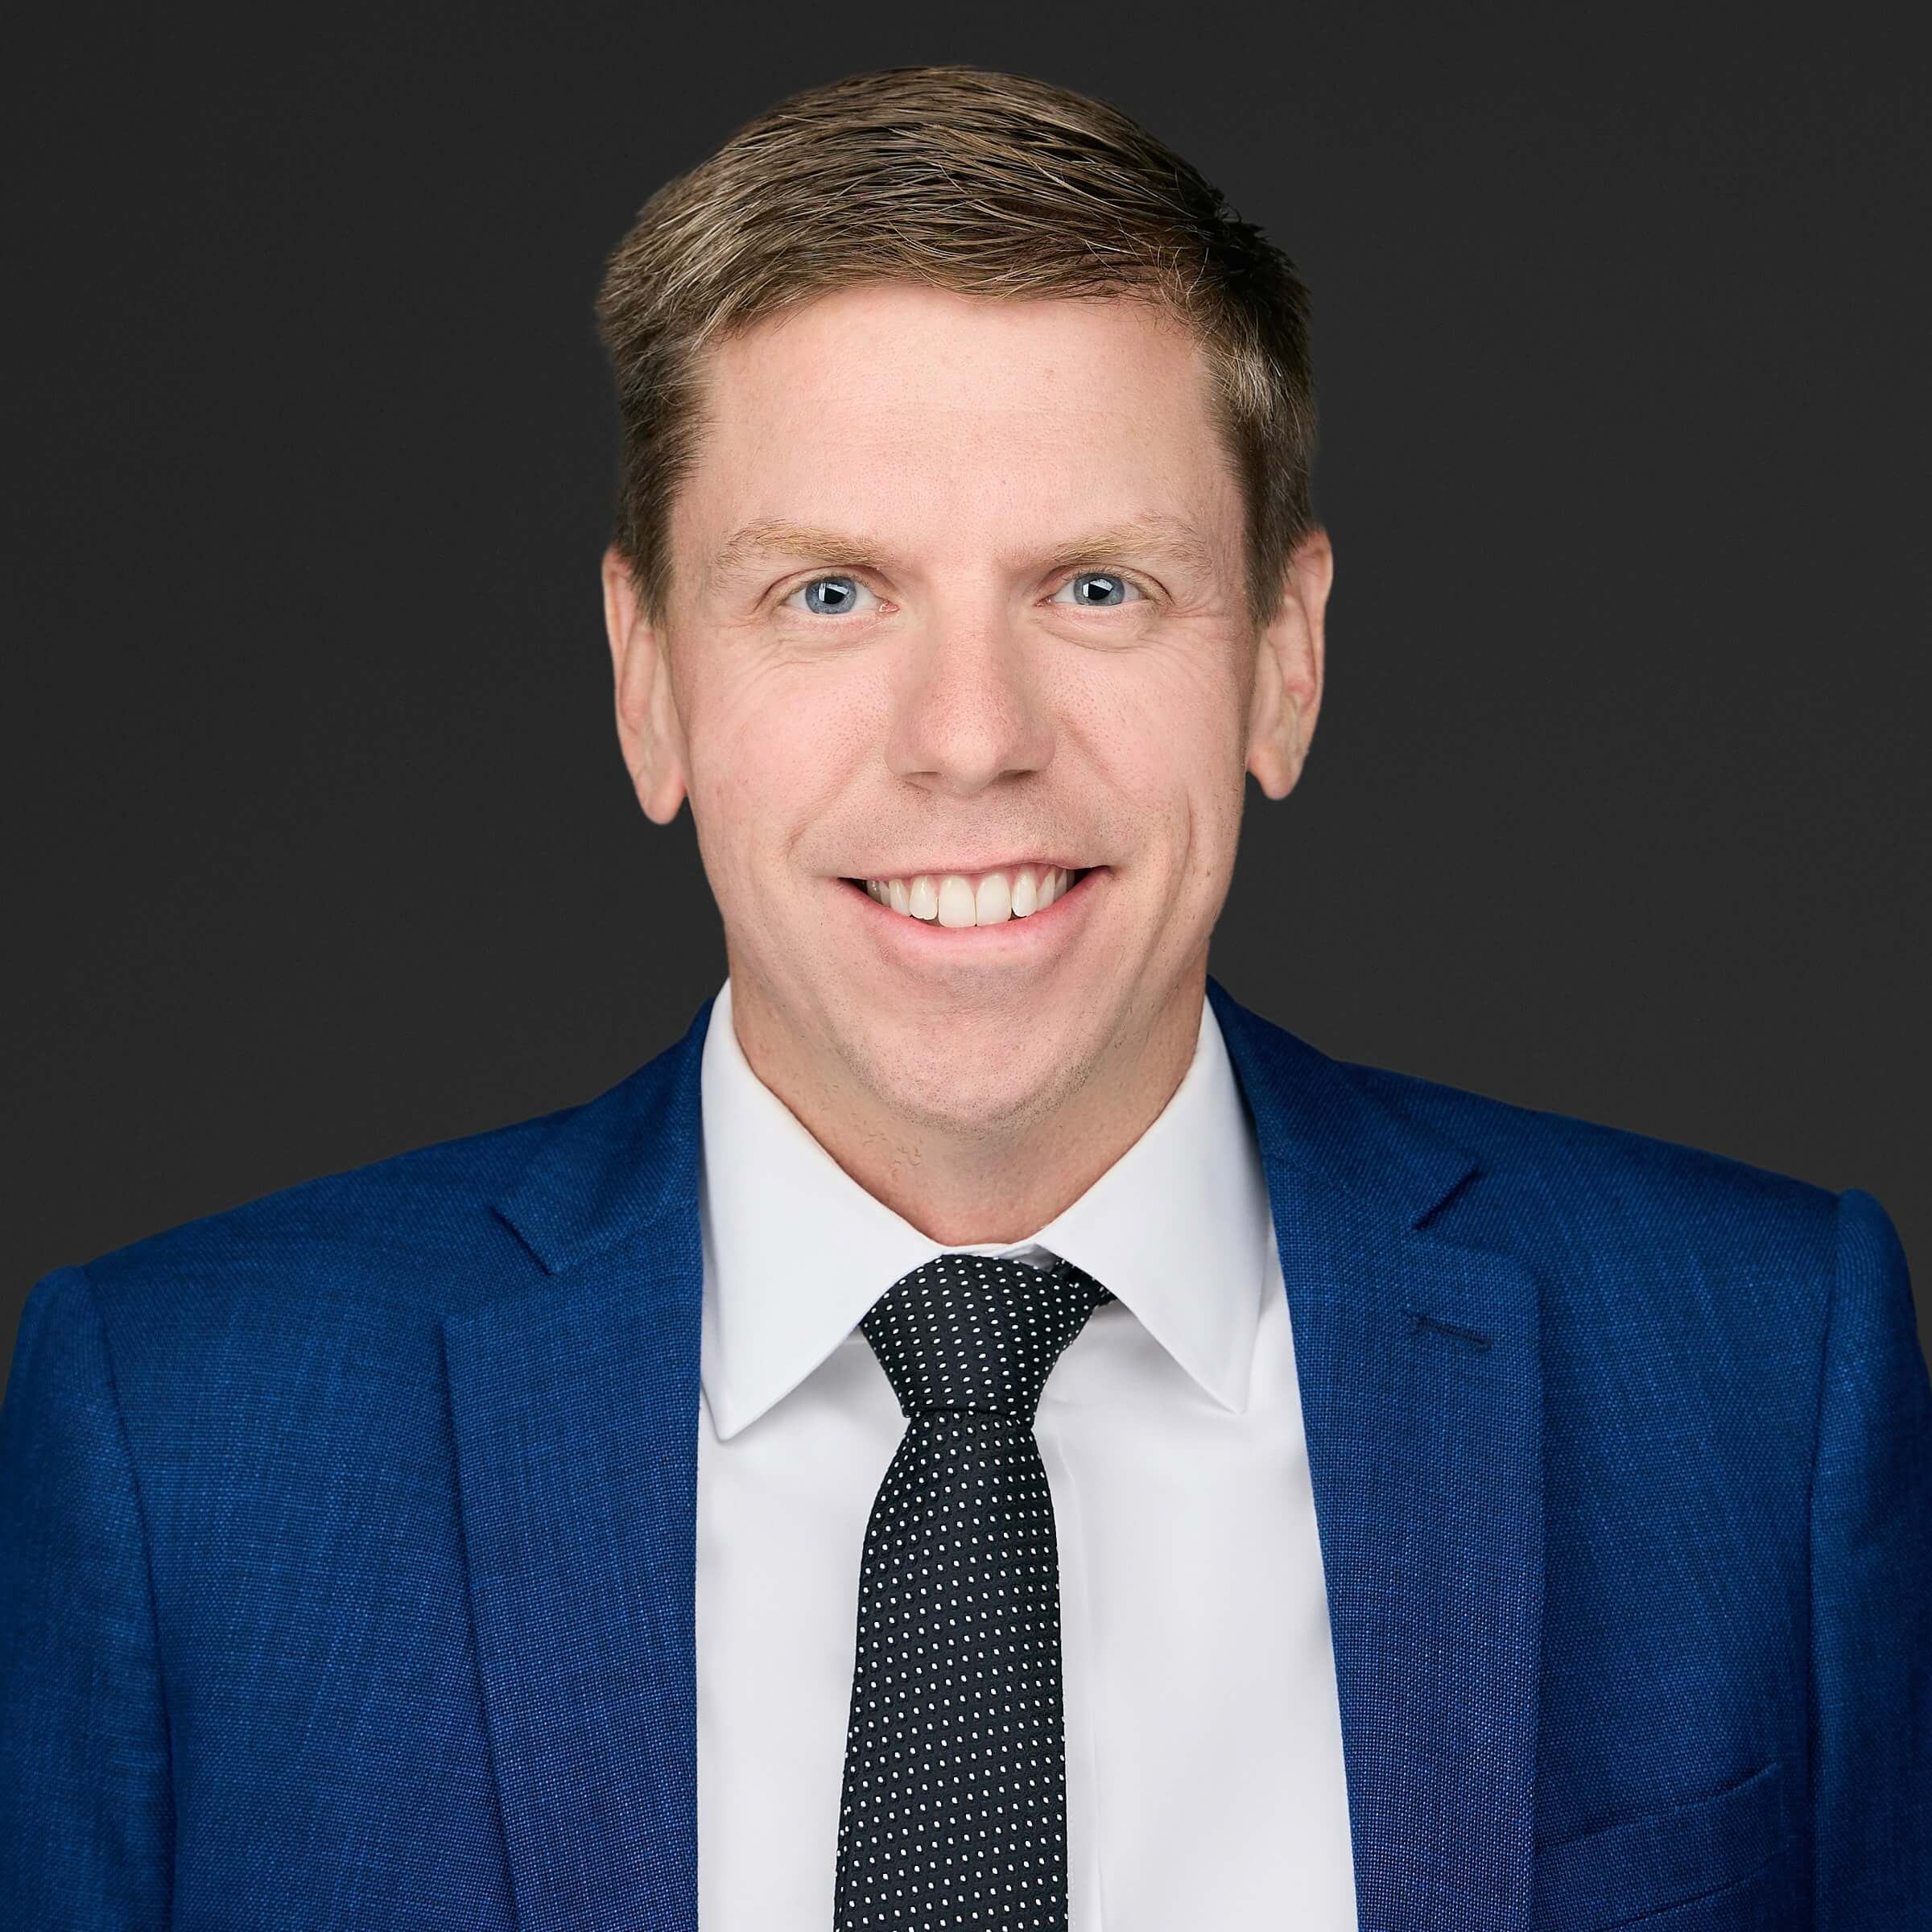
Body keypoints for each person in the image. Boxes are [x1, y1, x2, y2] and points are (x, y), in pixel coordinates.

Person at [2, 60, 1926, 1932]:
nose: (971, 741)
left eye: (1097, 588)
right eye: (830, 594)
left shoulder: (1766, 1385)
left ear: (1282, 660)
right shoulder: (181, 1445)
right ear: (648, 679)